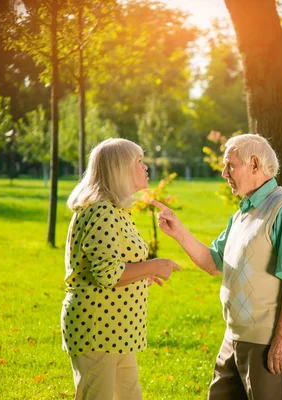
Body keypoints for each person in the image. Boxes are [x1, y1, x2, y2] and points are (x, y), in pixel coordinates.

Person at [153, 133, 282, 400]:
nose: (224, 173)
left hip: (266, 340)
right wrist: (179, 232)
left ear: (254, 165)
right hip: (234, 337)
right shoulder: (242, 213)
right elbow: (213, 263)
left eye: (231, 166)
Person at [61, 138, 181, 400]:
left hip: (117, 331)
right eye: (139, 161)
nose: (145, 167)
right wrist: (155, 265)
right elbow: (106, 274)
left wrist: (141, 275)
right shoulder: (102, 210)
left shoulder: (115, 209)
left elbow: (114, 265)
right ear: (120, 169)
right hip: (97, 329)